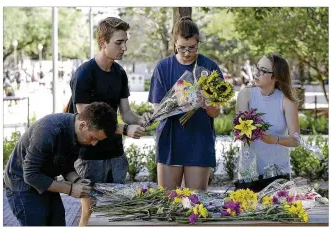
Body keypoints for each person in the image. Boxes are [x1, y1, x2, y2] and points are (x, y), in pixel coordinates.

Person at [69, 17, 150, 226]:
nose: (124, 47)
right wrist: (125, 130)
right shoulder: (84, 74)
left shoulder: (120, 73)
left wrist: (143, 120)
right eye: (118, 42)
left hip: (116, 156)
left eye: (125, 42)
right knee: (90, 214)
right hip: (90, 156)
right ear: (102, 42)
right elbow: (87, 122)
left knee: (116, 214)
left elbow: (126, 112)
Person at [4, 102, 118, 226]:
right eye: (93, 138)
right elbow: (30, 175)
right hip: (22, 182)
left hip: (45, 178)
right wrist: (70, 189)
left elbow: (64, 163)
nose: (93, 144)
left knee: (58, 222)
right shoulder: (48, 131)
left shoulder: (80, 135)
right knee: (38, 222)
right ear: (82, 125)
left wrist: (77, 180)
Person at [148, 17, 223, 191]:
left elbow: (216, 112)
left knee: (196, 202)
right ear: (174, 44)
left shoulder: (210, 67)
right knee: (167, 202)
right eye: (182, 48)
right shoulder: (163, 67)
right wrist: (179, 100)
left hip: (199, 140)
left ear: (198, 43)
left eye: (192, 48)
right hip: (170, 140)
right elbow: (157, 111)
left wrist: (205, 103)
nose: (187, 53)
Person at [235, 53, 300, 192]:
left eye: (263, 71)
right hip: (249, 173)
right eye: (257, 68)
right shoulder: (245, 95)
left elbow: (296, 140)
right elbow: (241, 132)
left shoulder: (286, 101)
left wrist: (275, 139)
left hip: (278, 174)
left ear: (276, 77)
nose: (256, 73)